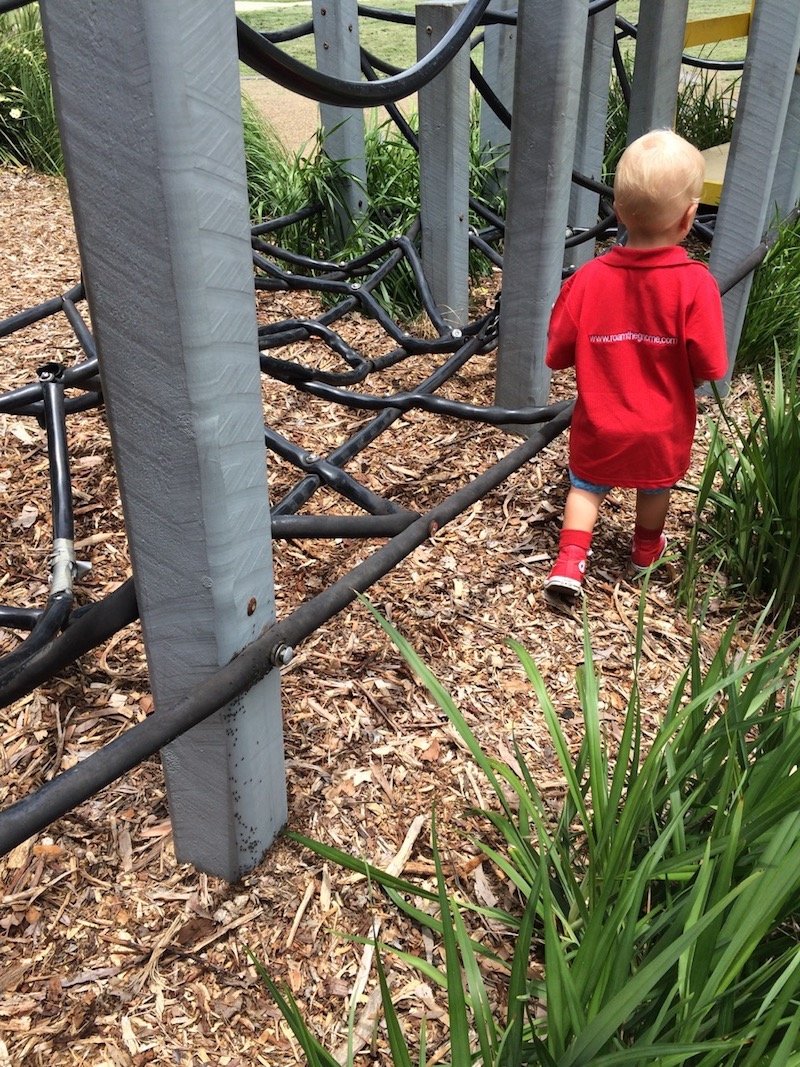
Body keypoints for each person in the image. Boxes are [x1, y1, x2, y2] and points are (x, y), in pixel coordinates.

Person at [543, 128, 728, 606]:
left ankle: (569, 563)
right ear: (690, 217)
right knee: (654, 485)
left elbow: (557, 353)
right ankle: (645, 550)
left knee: (585, 486)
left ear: (618, 211)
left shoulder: (587, 279)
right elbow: (708, 364)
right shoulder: (696, 285)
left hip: (601, 419)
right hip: (662, 423)